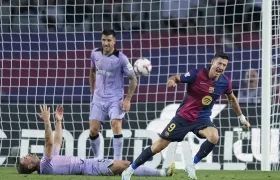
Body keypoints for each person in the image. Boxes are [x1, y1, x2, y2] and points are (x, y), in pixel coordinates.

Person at [121, 52, 251, 180]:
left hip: (202, 118)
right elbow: (176, 77)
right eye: (219, 63)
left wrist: (242, 118)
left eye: (224, 65)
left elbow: (232, 99)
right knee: (158, 146)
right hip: (183, 118)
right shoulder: (196, 74)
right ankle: (129, 170)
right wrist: (172, 81)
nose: (221, 67)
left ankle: (191, 164)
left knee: (214, 136)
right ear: (212, 62)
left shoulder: (225, 82)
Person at [16, 105, 175, 177]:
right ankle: (162, 173)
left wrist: (58, 121)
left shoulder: (47, 162)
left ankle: (161, 173)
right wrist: (46, 121)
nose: (28, 154)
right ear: (30, 166)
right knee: (126, 165)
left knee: (124, 167)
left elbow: (57, 142)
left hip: (89, 164)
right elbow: (49, 143)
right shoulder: (44, 165)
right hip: (89, 167)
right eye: (26, 158)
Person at [89, 29, 137, 160]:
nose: (106, 43)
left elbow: (133, 78)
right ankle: (97, 159)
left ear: (114, 41)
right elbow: (92, 71)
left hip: (114, 99)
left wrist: (127, 99)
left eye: (109, 40)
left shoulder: (121, 59)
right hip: (98, 99)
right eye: (104, 40)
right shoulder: (95, 53)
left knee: (116, 125)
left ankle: (118, 160)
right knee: (93, 130)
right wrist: (93, 90)